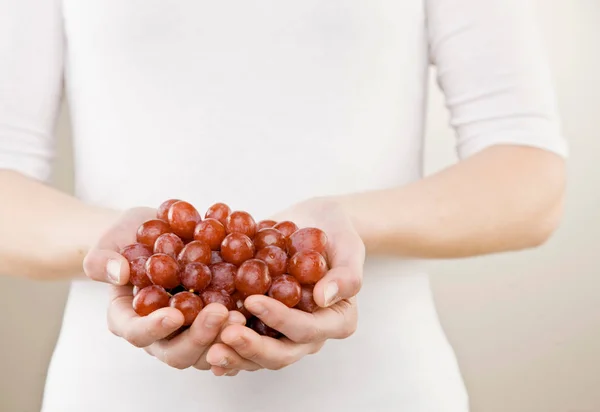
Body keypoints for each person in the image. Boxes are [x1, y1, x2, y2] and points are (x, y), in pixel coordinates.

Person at [0, 0, 567, 411]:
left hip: (384, 391)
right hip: (112, 394)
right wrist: (134, 251)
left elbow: (531, 181)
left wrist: (349, 228)